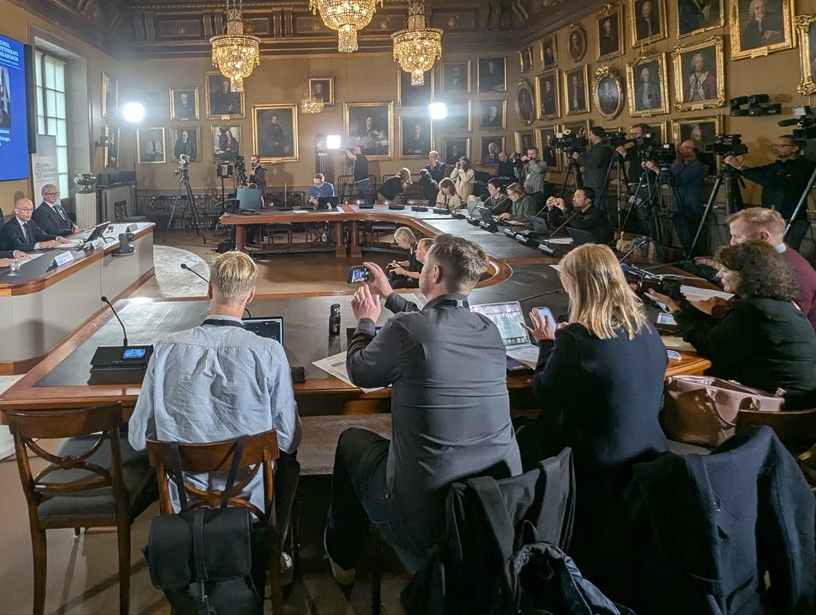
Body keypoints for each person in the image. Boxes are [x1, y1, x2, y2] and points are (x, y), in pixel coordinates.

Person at [324, 237, 521, 577]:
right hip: (492, 507)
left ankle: (342, 556)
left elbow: (360, 371)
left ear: (434, 272)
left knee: (350, 441)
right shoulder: (489, 330)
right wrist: (389, 296)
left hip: (424, 514)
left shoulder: (406, 330)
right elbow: (434, 320)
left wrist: (367, 322)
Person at [128, 251, 300, 547]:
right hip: (249, 504)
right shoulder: (269, 352)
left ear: (209, 290)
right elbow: (287, 439)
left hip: (184, 503)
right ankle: (277, 553)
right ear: (251, 296)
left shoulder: (166, 349)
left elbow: (138, 439)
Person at [524, 244, 668, 562]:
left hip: (596, 460)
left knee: (524, 434)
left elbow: (544, 394)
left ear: (576, 284)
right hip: (650, 450)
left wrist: (547, 345)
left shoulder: (576, 338)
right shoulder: (645, 328)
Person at [650, 241, 816, 410]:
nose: (718, 275)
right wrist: (683, 309)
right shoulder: (781, 303)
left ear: (747, 276)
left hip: (786, 407)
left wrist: (676, 312)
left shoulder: (753, 309)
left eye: (725, 270)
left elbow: (710, 347)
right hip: (814, 398)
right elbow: (724, 332)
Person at [728, 208, 816, 364]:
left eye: (737, 236)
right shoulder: (773, 260)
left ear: (763, 236)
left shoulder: (792, 272)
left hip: (806, 357)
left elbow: (785, 326)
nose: (732, 243)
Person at [723, 135, 814, 249]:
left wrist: (739, 167)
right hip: (772, 217)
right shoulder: (775, 166)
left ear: (794, 148)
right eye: (775, 145)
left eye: (781, 145)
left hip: (792, 217)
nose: (776, 148)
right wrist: (737, 168)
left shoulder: (801, 167)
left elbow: (769, 181)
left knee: (786, 256)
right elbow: (756, 172)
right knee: (770, 255)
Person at [645, 140, 707, 253]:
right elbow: (664, 180)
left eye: (687, 147)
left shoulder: (699, 166)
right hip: (677, 206)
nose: (682, 149)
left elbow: (678, 181)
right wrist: (654, 168)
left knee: (691, 238)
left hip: (691, 207)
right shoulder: (677, 166)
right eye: (681, 147)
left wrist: (655, 169)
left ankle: (694, 262)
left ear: (694, 151)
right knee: (682, 237)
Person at [546, 187, 614, 245]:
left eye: (577, 196)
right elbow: (557, 222)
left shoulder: (596, 213)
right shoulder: (578, 212)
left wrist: (564, 209)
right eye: (574, 196)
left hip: (599, 248)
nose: (573, 199)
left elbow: (579, 226)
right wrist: (550, 208)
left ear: (587, 200)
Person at [0, 198, 65, 253]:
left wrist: (57, 238)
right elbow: (19, 246)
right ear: (16, 211)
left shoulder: (30, 222)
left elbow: (42, 235)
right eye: (25, 209)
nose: (29, 212)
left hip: (30, 255)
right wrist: (41, 245)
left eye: (31, 209)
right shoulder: (9, 228)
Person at [573, 126, 614, 209]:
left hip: (596, 182)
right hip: (596, 181)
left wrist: (578, 158)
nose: (589, 137)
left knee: (597, 205)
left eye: (591, 134)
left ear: (596, 135)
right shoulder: (602, 147)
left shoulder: (600, 148)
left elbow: (594, 163)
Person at [519, 147, 548, 212]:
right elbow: (521, 175)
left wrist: (530, 160)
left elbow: (538, 170)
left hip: (537, 191)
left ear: (537, 154)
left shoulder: (543, 163)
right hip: (526, 191)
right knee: (526, 211)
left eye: (533, 154)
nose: (530, 156)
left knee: (535, 211)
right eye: (529, 154)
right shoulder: (527, 164)